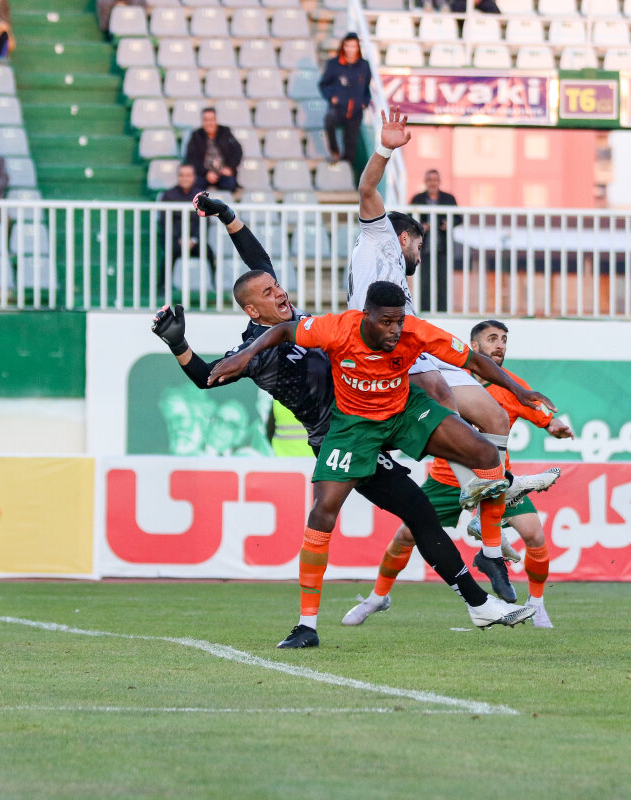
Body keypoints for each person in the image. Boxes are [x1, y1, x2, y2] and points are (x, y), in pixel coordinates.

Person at [154, 195, 560, 646]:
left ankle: (489, 503)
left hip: (385, 410)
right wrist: (178, 344)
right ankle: (312, 624)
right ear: (252, 310)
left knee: (455, 430)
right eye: (268, 294)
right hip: (342, 434)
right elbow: (206, 377)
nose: (280, 293)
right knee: (397, 512)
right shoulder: (258, 353)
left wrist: (227, 216)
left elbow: (259, 262)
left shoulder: (305, 320)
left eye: (277, 287)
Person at [350, 106, 558, 577]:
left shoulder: (400, 285)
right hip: (382, 345)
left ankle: (487, 523)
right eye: (420, 246)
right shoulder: (379, 237)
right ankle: (481, 488)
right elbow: (367, 189)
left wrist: (520, 392)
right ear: (405, 237)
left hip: (413, 341)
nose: (420, 255)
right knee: (442, 397)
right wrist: (384, 148)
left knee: (493, 415)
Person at [343, 320, 572, 629]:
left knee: (534, 534)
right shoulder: (448, 378)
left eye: (504, 339)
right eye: (492, 339)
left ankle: (537, 604)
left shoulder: (511, 385)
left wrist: (555, 427)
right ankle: (377, 597)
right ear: (474, 347)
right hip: (446, 478)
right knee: (405, 536)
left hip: (495, 476)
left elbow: (543, 417)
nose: (500, 345)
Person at [410, 169, 462, 312]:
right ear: (425, 182)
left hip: (443, 248)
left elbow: (459, 218)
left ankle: (442, 310)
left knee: (443, 281)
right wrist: (421, 227)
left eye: (435, 180)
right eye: (430, 180)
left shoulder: (448, 198)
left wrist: (449, 224)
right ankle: (424, 310)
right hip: (423, 249)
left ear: (439, 182)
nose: (432, 183)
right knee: (424, 281)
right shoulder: (418, 199)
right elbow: (410, 219)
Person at [319, 33, 372, 165]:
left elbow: (367, 88)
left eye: (353, 46)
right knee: (329, 120)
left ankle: (345, 169)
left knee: (351, 149)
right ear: (343, 46)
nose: (350, 49)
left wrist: (364, 102)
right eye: (347, 46)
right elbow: (324, 84)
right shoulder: (334, 64)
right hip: (338, 108)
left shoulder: (364, 66)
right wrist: (331, 97)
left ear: (358, 48)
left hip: (355, 112)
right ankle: (334, 151)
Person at [157, 163, 213, 274]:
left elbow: (205, 221)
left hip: (195, 241)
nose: (185, 179)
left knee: (209, 253)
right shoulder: (168, 196)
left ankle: (214, 281)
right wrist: (179, 239)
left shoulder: (201, 196)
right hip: (175, 241)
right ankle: (164, 284)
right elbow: (165, 221)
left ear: (194, 177)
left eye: (188, 175)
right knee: (170, 254)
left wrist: (193, 239)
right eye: (182, 175)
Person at [184, 108, 242, 192]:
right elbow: (191, 158)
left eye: (211, 119)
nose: (209, 123)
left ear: (216, 120)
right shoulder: (196, 135)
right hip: (203, 174)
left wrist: (229, 167)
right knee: (195, 186)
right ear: (202, 122)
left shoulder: (225, 132)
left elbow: (237, 151)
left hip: (223, 172)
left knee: (229, 184)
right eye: (206, 120)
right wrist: (206, 173)